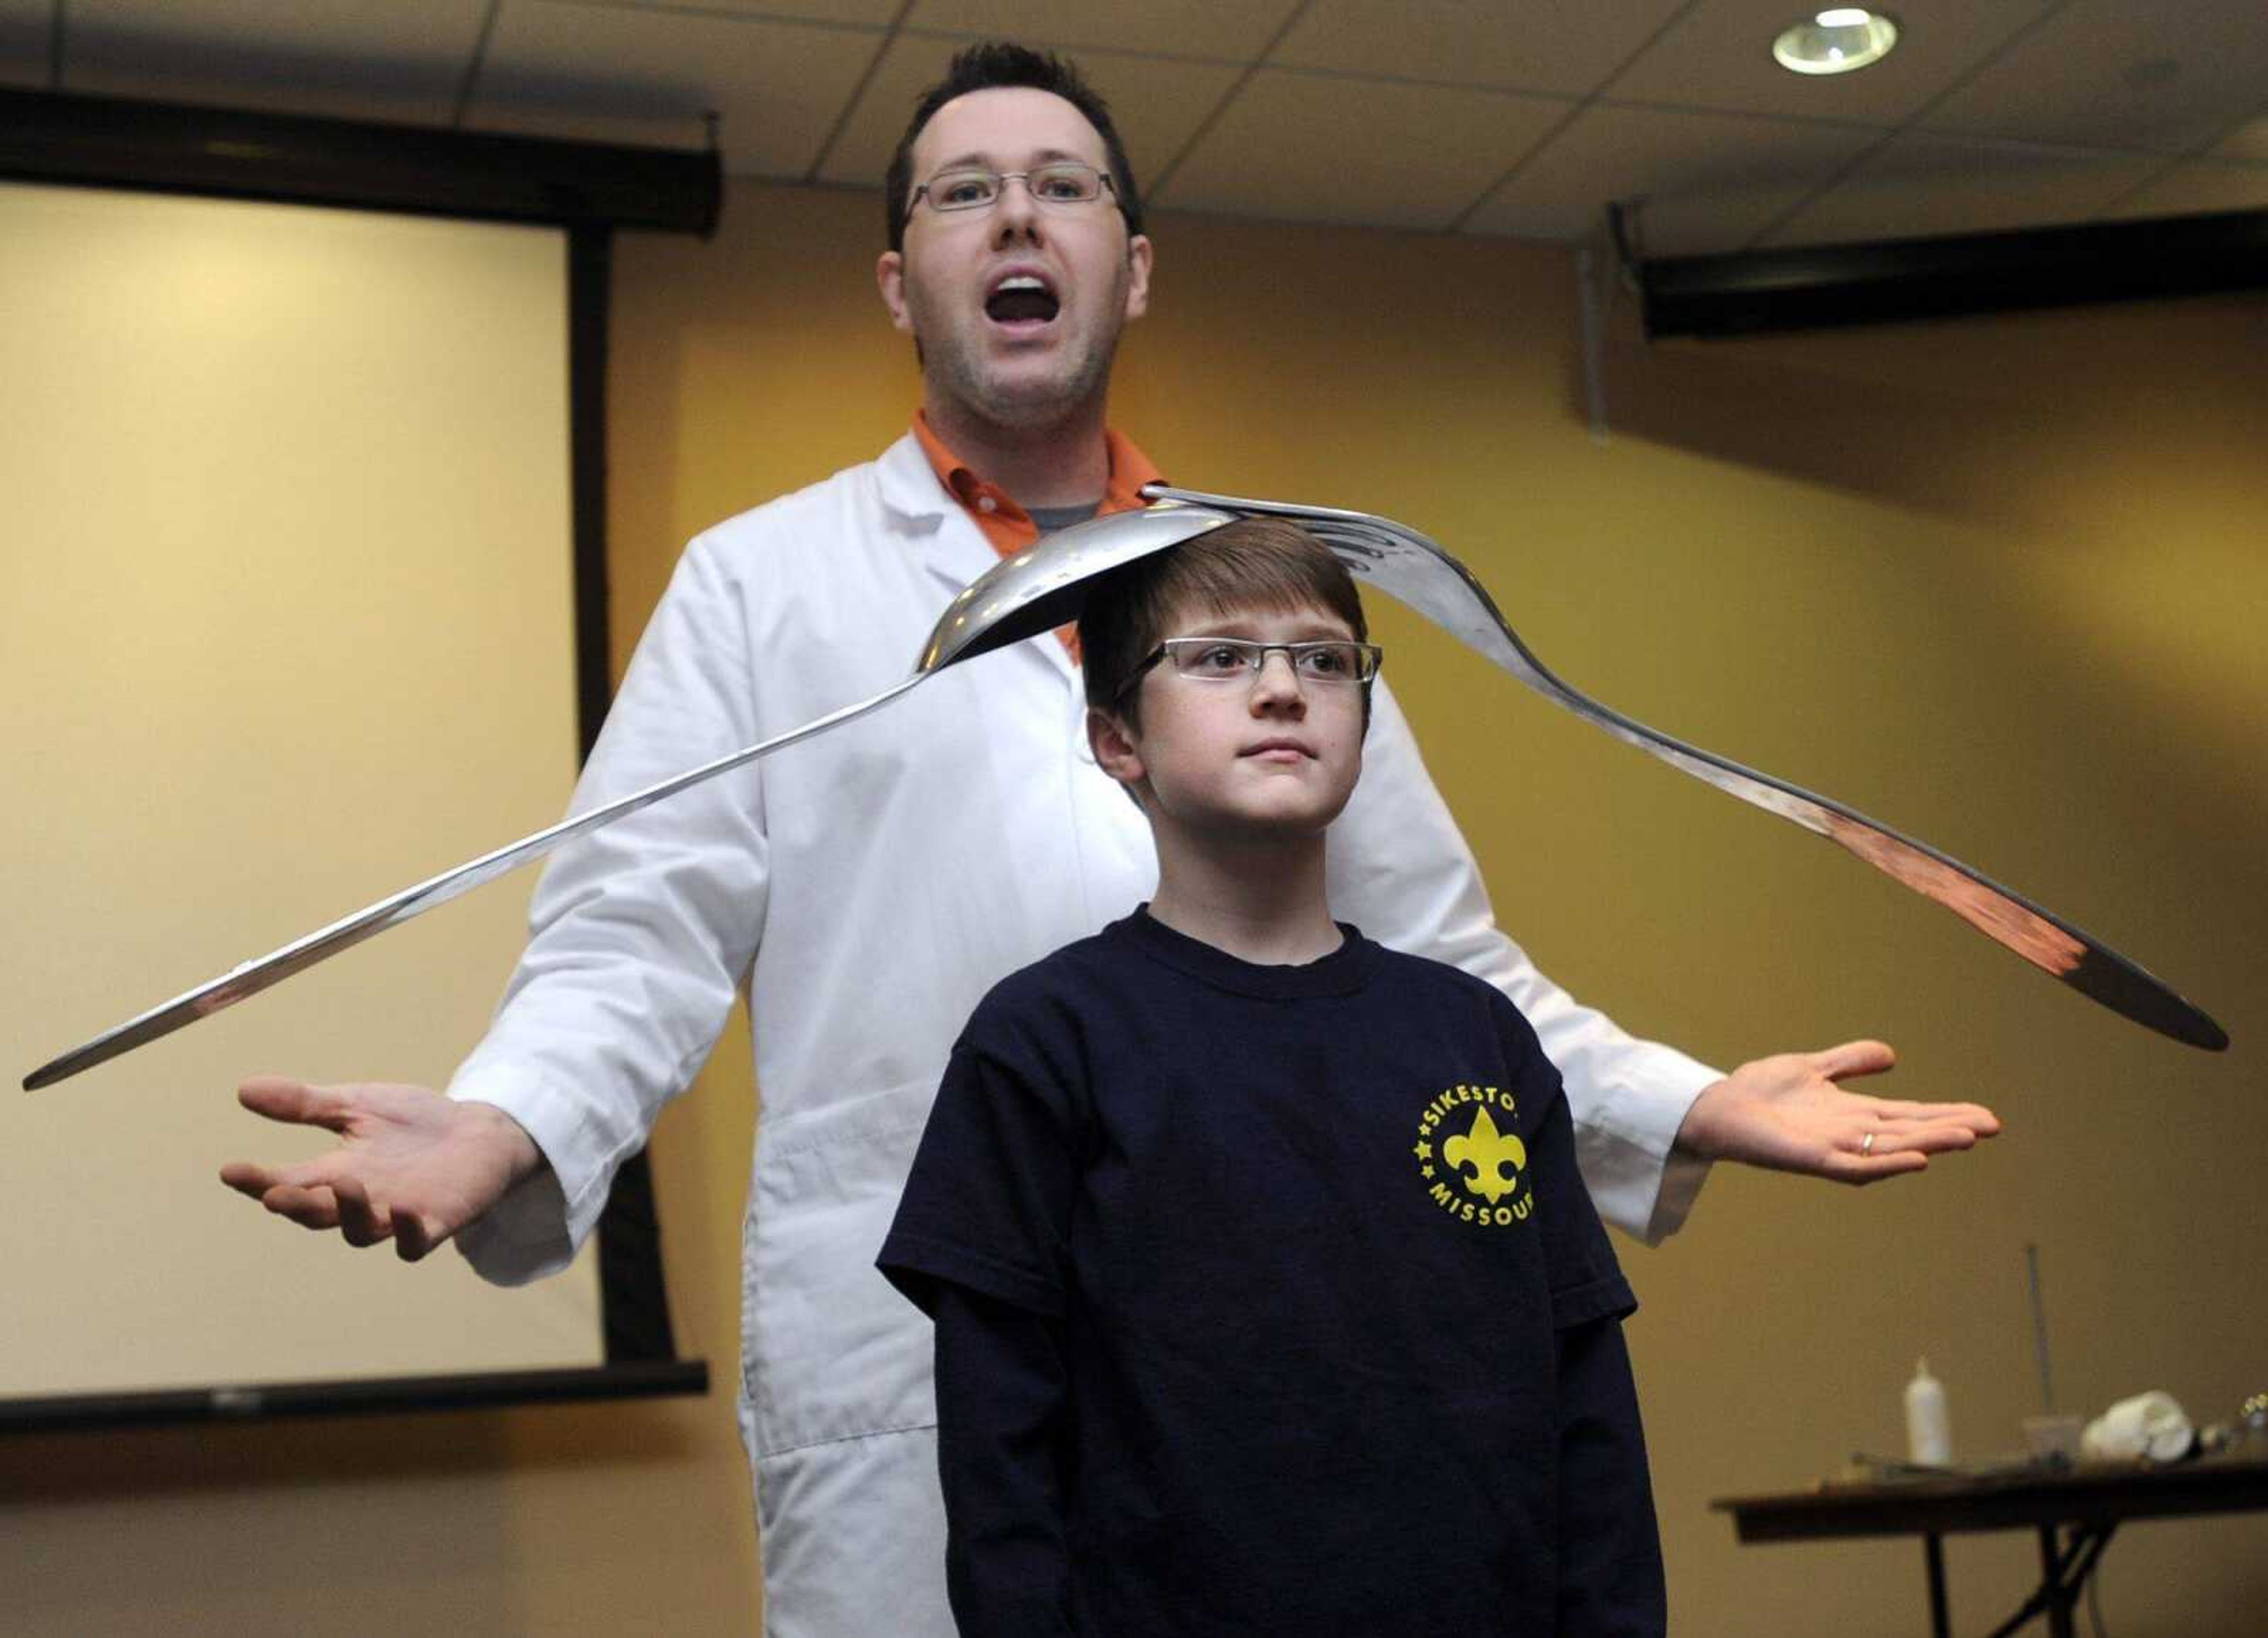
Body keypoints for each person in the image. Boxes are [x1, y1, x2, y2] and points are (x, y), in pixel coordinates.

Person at [219, 41, 1996, 1637]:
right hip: (924, 1357)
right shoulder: (761, 585)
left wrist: (1685, 1097)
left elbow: (1442, 972)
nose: (1018, 215)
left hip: (1276, 1360)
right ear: (900, 277)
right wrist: (511, 1112)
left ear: (1130, 266)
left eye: (1064, 186)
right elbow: (634, 935)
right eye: (963, 191)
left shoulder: (1276, 589)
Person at [880, 515, 1666, 1636]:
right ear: (1117, 739)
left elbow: (1588, 1409)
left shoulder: (1474, 1039)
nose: (1283, 689)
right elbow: (1001, 1457)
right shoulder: (1047, 1042)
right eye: (1219, 658)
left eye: (1323, 659)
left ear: (1363, 714)